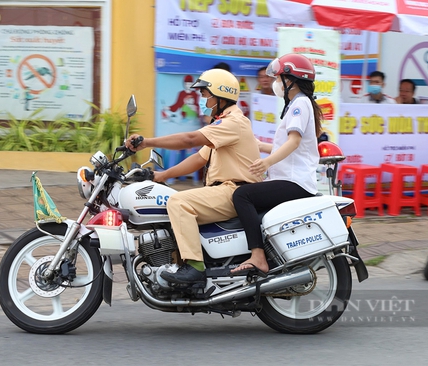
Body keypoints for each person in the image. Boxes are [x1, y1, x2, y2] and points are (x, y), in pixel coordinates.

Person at [126, 68, 261, 285]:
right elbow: (198, 159)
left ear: (220, 95)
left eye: (205, 94)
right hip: (222, 190)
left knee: (179, 203)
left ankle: (195, 268)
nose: (203, 100)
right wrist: (161, 175)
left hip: (234, 191)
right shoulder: (222, 125)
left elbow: (190, 140)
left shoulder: (233, 122)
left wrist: (147, 142)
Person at [230, 53, 321, 274]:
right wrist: (260, 146)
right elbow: (291, 147)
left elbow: (294, 141)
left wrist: (266, 162)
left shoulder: (300, 104)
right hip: (291, 178)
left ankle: (258, 256)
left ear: (291, 80)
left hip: (295, 182)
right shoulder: (297, 105)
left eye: (279, 78)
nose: (275, 83)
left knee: (241, 195)